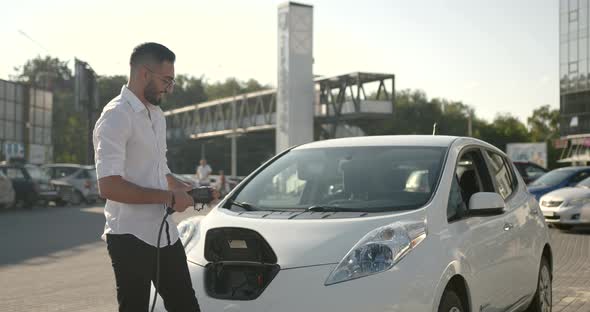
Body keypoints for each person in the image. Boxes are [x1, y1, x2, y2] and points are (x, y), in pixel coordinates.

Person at [93, 42, 201, 312]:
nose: (169, 87)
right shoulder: (115, 116)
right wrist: (168, 197)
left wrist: (186, 189)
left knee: (186, 305)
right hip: (129, 236)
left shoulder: (157, 115)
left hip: (164, 233)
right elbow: (109, 186)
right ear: (144, 73)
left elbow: (159, 169)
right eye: (166, 80)